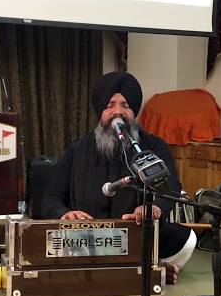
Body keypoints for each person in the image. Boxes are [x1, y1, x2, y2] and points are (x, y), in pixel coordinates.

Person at [41, 71, 197, 284]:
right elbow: (51, 196)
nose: (118, 112)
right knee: (47, 242)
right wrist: (65, 214)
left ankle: (139, 267)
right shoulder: (77, 150)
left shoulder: (152, 146)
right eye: (110, 105)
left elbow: (170, 188)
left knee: (188, 239)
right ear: (100, 111)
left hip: (136, 236)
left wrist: (154, 208)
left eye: (125, 105)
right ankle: (150, 269)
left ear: (134, 110)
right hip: (87, 238)